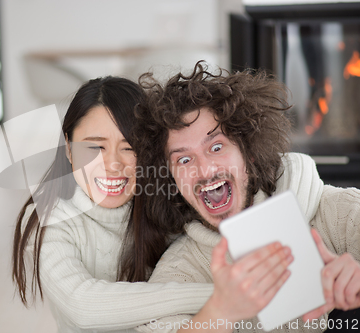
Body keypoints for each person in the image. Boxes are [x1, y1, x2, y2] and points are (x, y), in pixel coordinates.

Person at [129, 62, 360, 332]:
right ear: (172, 179)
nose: (205, 169)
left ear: (248, 153)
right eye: (184, 159)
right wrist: (220, 311)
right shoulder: (182, 271)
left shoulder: (337, 212)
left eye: (216, 147)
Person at [12, 76, 224, 333]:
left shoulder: (165, 202)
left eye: (129, 147)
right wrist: (224, 296)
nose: (112, 164)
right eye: (94, 146)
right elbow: (83, 307)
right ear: (68, 147)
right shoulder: (48, 218)